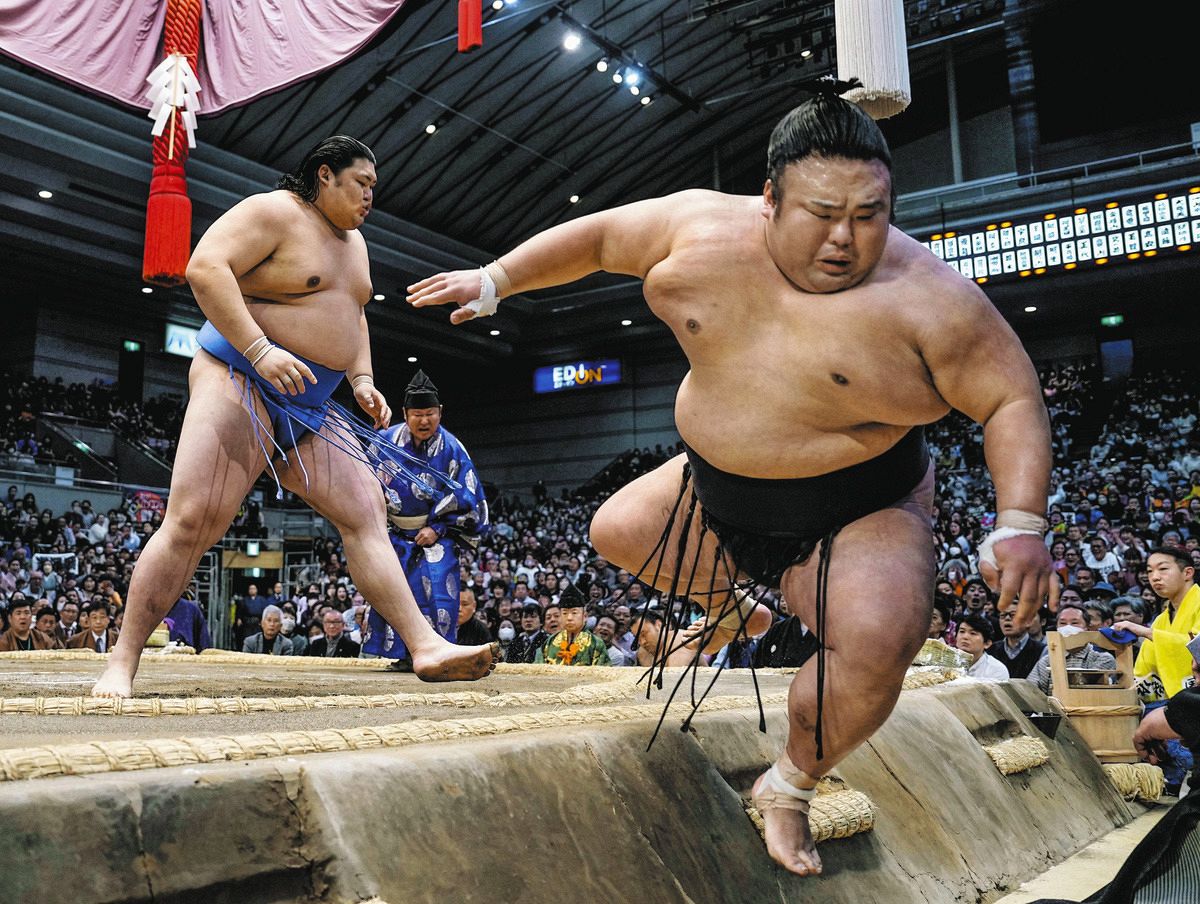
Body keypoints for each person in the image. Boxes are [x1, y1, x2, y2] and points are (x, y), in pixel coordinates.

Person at [408, 80, 1055, 875]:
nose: (846, 240)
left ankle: (788, 785)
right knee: (613, 530)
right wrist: (498, 279)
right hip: (710, 488)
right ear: (770, 199)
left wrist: (1021, 520)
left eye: (870, 215)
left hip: (859, 503)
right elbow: (602, 237)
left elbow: (1012, 397)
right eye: (821, 215)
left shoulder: (933, 303)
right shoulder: (698, 228)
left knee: (885, 638)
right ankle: (732, 608)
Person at [90, 136, 497, 698]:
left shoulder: (355, 245)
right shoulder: (274, 211)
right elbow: (205, 268)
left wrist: (361, 380)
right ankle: (123, 660)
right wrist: (259, 349)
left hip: (311, 401)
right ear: (325, 175)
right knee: (192, 523)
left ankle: (426, 646)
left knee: (365, 511)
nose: (369, 197)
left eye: (374, 188)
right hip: (239, 376)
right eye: (362, 184)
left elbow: (353, 316)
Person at [361, 370, 489, 668]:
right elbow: (362, 485)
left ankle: (437, 654)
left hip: (437, 536)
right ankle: (403, 655)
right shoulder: (383, 442)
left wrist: (438, 527)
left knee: (437, 593)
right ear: (405, 414)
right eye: (417, 414)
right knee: (392, 591)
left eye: (430, 413)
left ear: (440, 412)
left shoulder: (453, 449)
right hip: (391, 534)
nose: (424, 420)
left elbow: (470, 497)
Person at [1117, 546, 1200, 698]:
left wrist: (1146, 632)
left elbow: (1197, 648)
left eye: (1163, 569)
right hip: (1173, 700)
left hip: (1193, 695)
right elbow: (1145, 668)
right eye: (1149, 571)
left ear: (1187, 573)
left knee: (1150, 723)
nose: (1154, 577)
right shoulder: (1161, 620)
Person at [535, 582, 611, 666]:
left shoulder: (596, 643)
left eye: (574, 613)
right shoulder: (550, 641)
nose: (569, 618)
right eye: (565, 613)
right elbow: (539, 669)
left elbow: (602, 673)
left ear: (585, 616)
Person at [955, 614, 1010, 680]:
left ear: (987, 643)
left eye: (973, 633)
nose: (965, 637)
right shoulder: (944, 663)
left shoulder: (997, 670)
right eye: (962, 631)